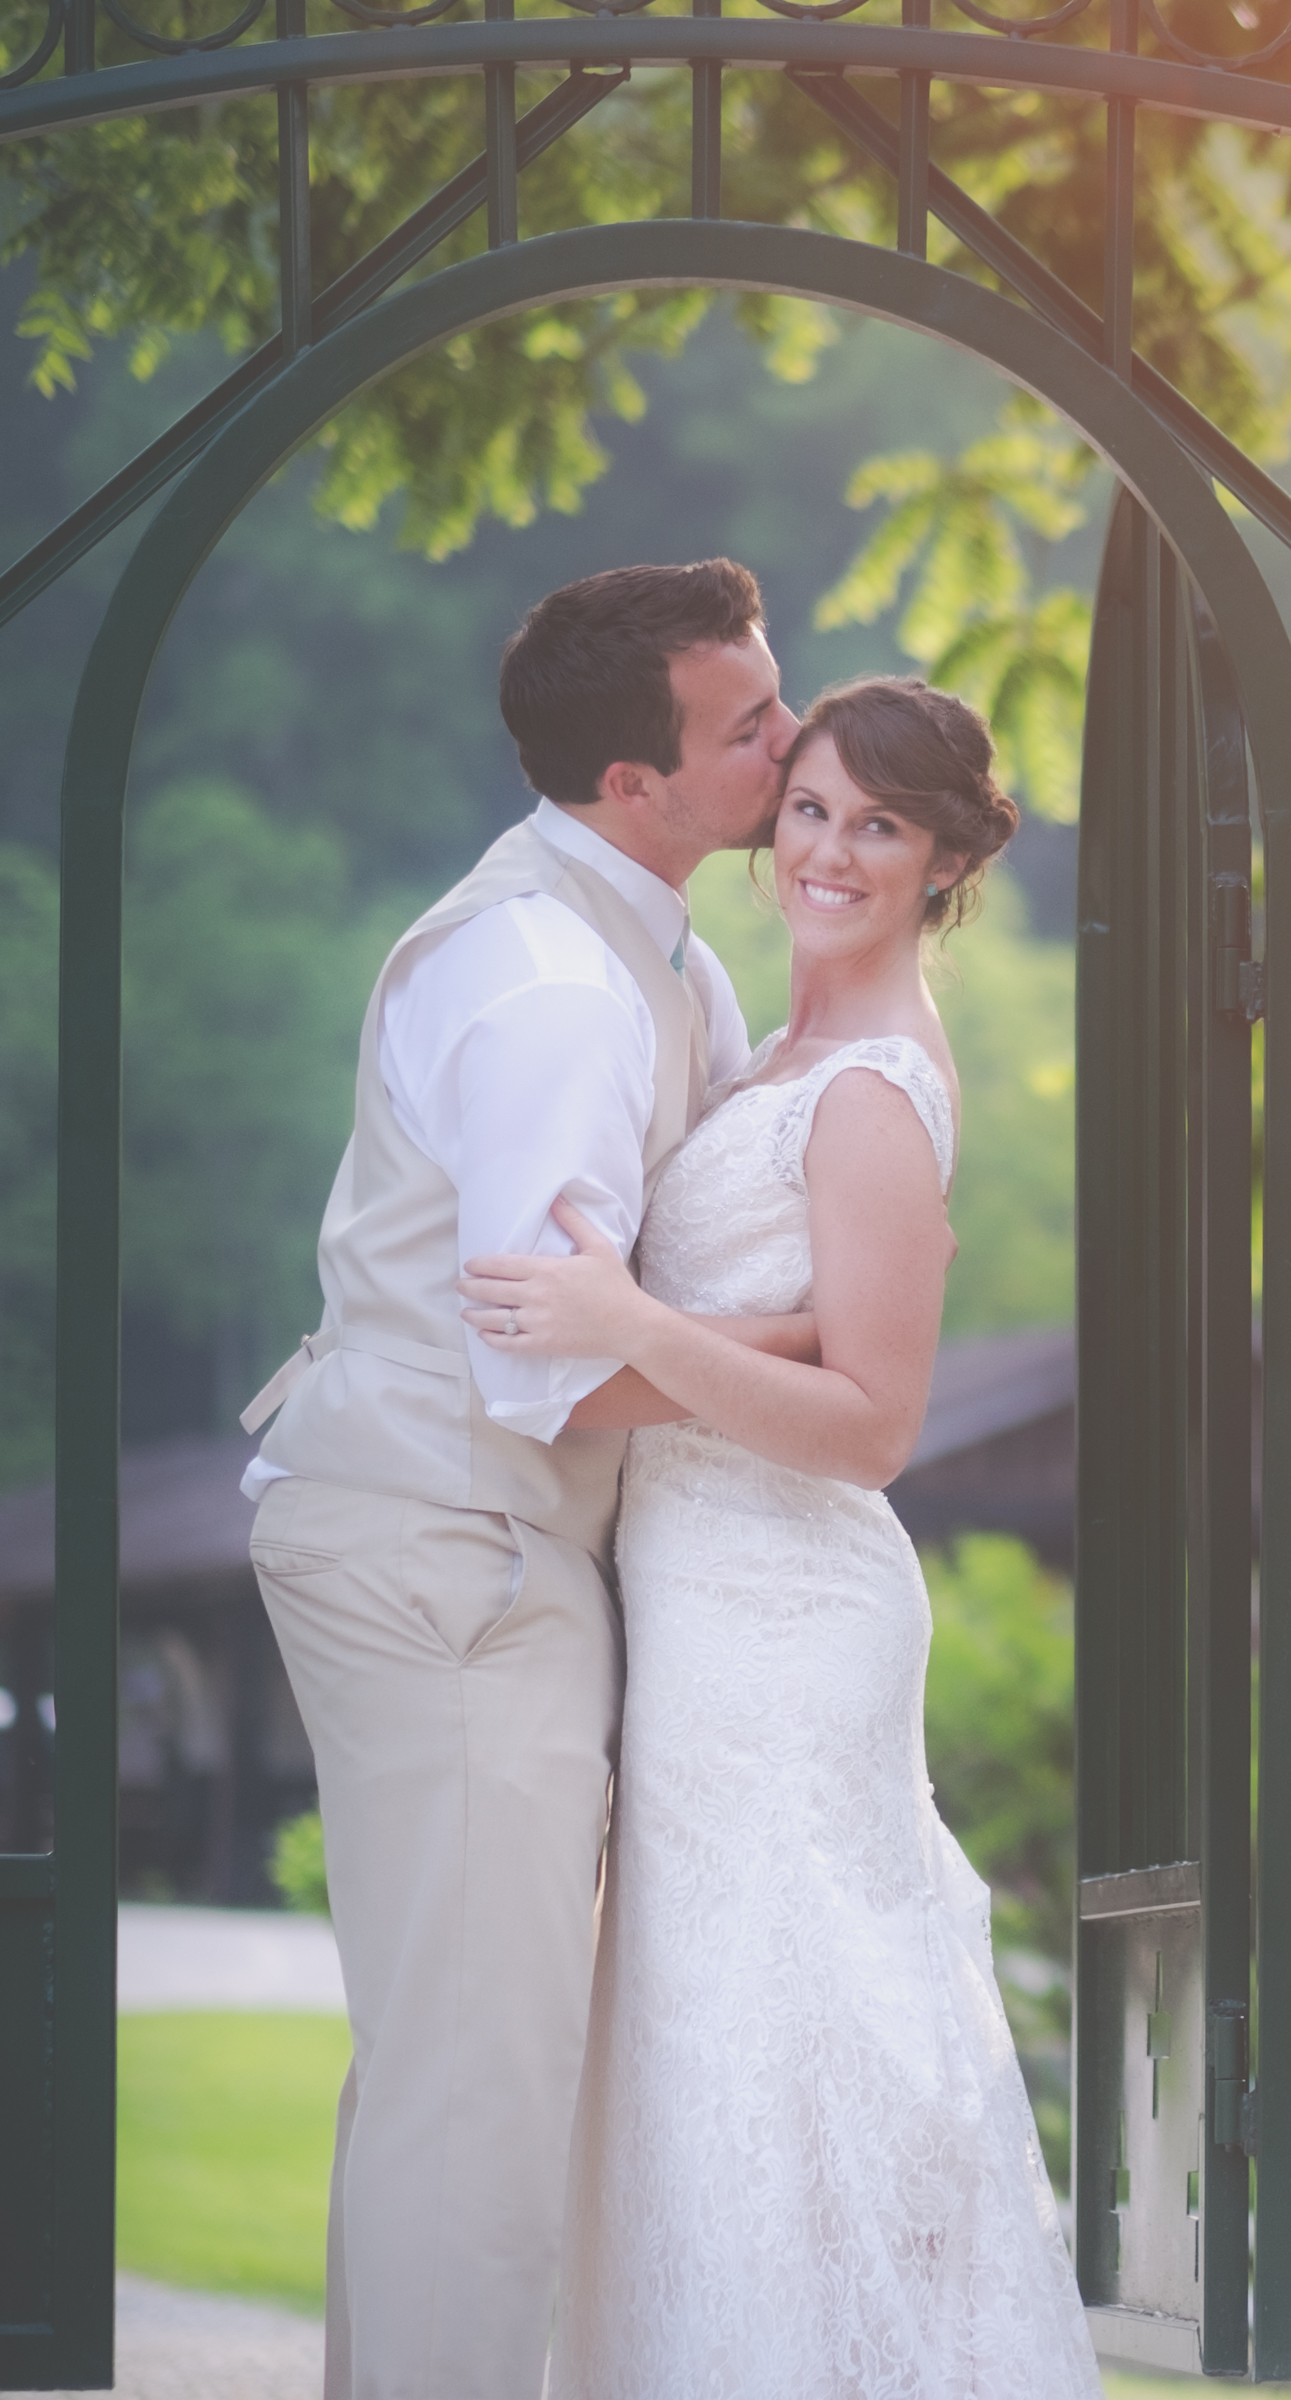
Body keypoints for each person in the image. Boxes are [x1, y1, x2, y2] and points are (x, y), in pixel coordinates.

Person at [456, 676, 1103, 2399]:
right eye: (809, 806)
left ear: (945, 858)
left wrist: (620, 1319)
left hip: (785, 1610)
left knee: (782, 2030)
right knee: (709, 2043)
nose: (827, 849)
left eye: (879, 825)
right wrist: (691, 1342)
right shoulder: (777, 1049)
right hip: (694, 1592)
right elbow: (821, 1334)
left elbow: (878, 1424)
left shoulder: (875, 1089)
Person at [241, 560, 813, 2400]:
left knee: (455, 2076)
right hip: (449, 1552)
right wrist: (822, 1377)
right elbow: (552, 1376)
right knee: (477, 2099)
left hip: (476, 1543)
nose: (792, 740)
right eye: (751, 727)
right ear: (629, 785)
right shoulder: (557, 983)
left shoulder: (657, 948)